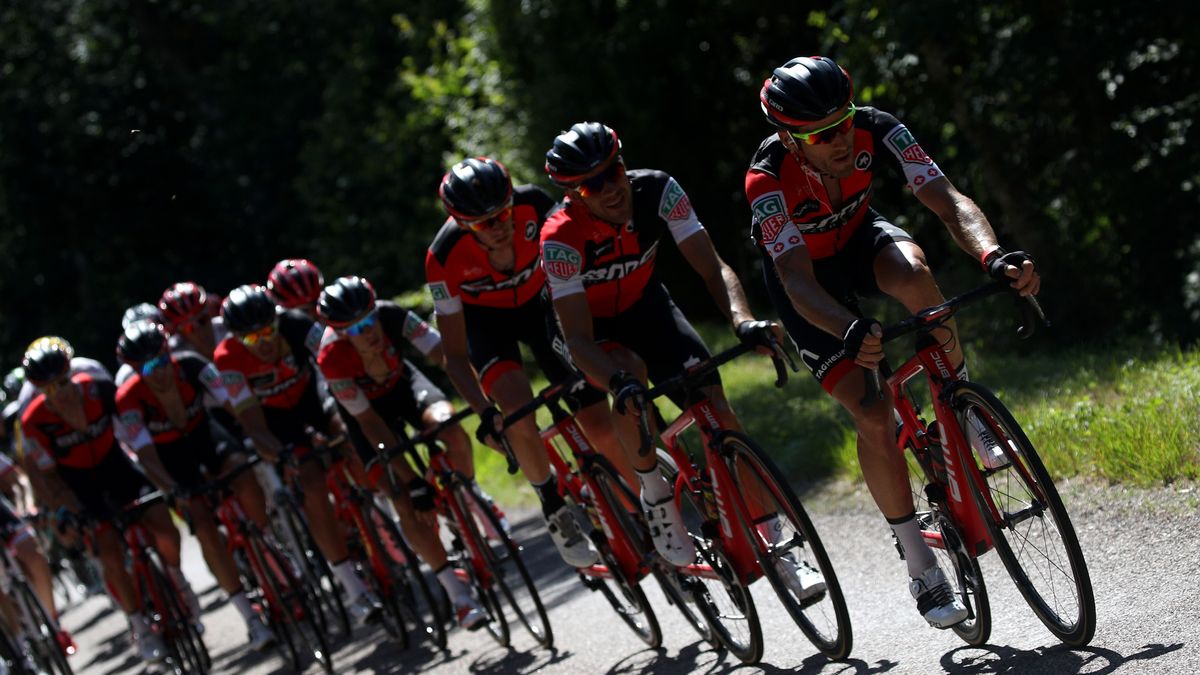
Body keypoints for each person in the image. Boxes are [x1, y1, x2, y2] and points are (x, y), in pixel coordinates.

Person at [746, 55, 1040, 628]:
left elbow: (948, 199)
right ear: (789, 136)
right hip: (805, 281)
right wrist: (848, 329)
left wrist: (992, 254)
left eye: (844, 120)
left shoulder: (878, 127)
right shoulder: (765, 177)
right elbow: (796, 277)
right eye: (821, 133)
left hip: (860, 239)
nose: (839, 138)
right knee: (872, 410)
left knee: (916, 278)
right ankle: (919, 562)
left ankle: (965, 408)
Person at [539, 122, 805, 586]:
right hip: (587, 331)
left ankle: (779, 547)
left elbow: (713, 267)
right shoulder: (559, 236)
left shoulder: (658, 189)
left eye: (614, 170)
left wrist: (742, 320)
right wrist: (618, 383)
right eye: (592, 184)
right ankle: (656, 493)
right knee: (629, 378)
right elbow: (578, 339)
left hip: (648, 307)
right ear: (572, 194)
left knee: (717, 409)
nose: (610, 187)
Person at [428, 156, 610, 568]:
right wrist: (484, 412)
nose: (499, 226)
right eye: (483, 223)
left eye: (503, 213)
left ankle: (626, 492)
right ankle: (553, 504)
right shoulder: (443, 257)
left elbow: (581, 258)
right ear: (460, 224)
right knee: (516, 407)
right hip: (486, 323)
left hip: (541, 304)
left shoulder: (534, 204)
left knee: (595, 412)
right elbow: (455, 357)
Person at [315, 275, 488, 630]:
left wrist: (483, 401)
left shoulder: (391, 315)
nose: (368, 331)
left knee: (449, 427)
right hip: (369, 418)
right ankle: (458, 596)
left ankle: (468, 494)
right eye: (355, 328)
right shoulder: (331, 358)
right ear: (339, 332)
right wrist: (412, 481)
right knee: (403, 499)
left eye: (368, 319)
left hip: (403, 386)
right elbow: (369, 423)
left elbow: (444, 354)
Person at [212, 284, 384, 628]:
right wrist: (280, 453)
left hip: (314, 400)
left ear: (276, 321)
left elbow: (333, 369)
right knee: (311, 480)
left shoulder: (297, 325)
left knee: (350, 438)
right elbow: (250, 421)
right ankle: (353, 589)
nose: (261, 342)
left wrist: (343, 421)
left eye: (265, 331)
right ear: (235, 338)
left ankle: (382, 516)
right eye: (250, 338)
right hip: (274, 422)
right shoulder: (227, 359)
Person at [19, 337, 197, 662]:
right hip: (79, 486)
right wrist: (65, 510)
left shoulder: (98, 387)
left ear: (71, 373)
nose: (59, 393)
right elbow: (46, 478)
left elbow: (132, 425)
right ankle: (139, 625)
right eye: (49, 389)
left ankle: (176, 577)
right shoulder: (33, 422)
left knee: (161, 520)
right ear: (39, 392)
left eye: (62, 382)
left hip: (116, 466)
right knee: (109, 554)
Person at [114, 320, 274, 649]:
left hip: (207, 436)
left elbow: (235, 405)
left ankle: (270, 546)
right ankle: (250, 617)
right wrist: (173, 489)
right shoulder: (128, 398)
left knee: (243, 472)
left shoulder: (193, 366)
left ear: (169, 353)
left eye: (160, 361)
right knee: (202, 524)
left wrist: (255, 438)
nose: (156, 372)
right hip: (172, 459)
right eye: (145, 368)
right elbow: (145, 454)